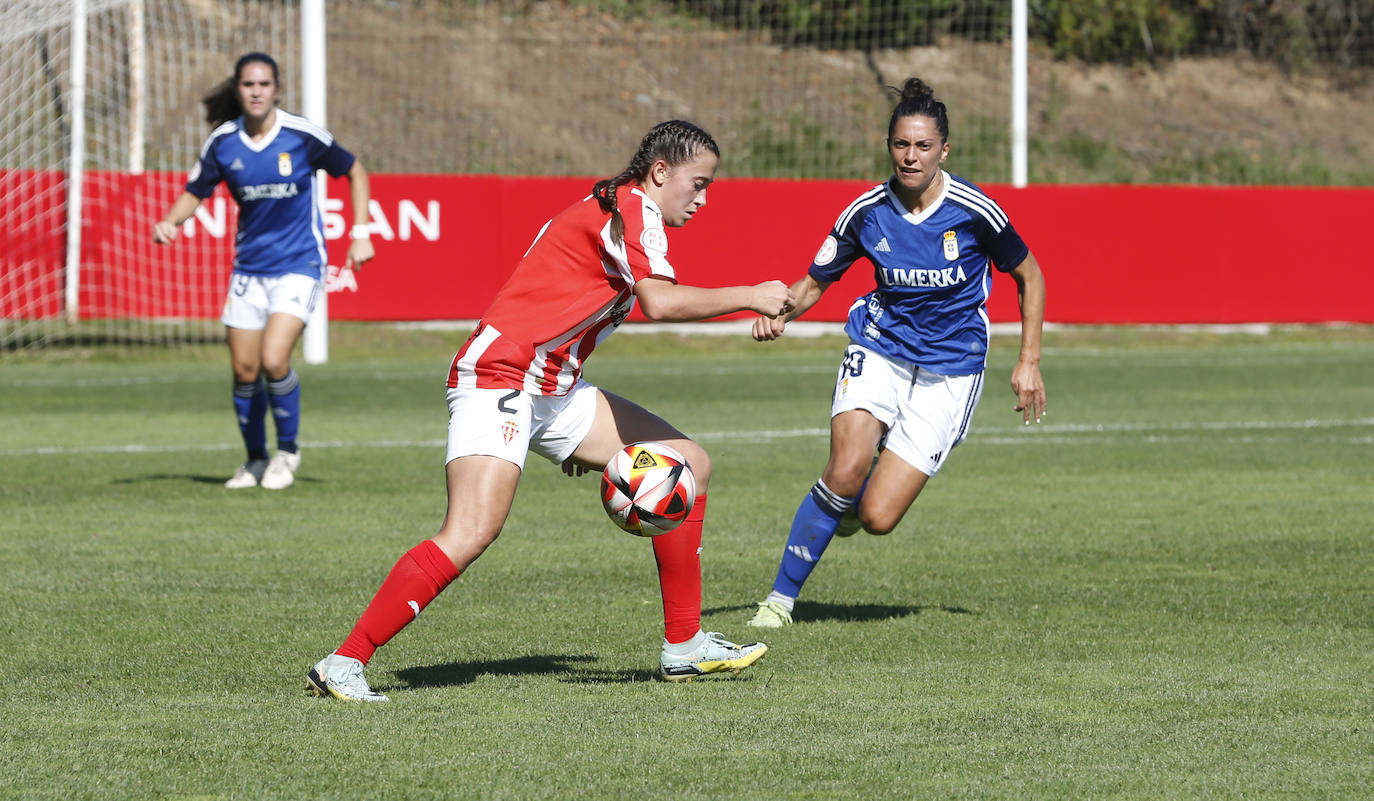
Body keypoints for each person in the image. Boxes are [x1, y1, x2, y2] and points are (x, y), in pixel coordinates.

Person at [307, 120, 794, 701]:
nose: (704, 198)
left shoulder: (617, 204)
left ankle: (684, 647)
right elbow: (660, 303)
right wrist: (751, 295)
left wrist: (568, 433)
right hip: (502, 375)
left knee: (689, 461)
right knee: (471, 529)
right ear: (661, 172)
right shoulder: (634, 209)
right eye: (699, 183)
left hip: (554, 386)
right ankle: (344, 661)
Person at [745, 78, 1047, 628]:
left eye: (923, 146)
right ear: (890, 145)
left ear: (944, 151)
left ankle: (862, 493)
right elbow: (815, 282)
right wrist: (780, 313)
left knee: (876, 516)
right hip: (879, 346)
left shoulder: (974, 210)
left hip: (951, 367)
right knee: (843, 469)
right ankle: (779, 602)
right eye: (902, 145)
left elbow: (1030, 275)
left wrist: (1028, 360)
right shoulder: (866, 212)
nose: (911, 157)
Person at [152, 52, 374, 490]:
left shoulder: (301, 135)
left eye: (264, 84)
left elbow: (355, 170)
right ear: (238, 89)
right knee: (244, 369)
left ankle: (286, 454)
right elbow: (196, 190)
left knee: (275, 359)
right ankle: (254, 460)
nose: (256, 92)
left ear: (277, 88)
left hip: (299, 265)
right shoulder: (223, 142)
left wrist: (361, 231)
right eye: (249, 85)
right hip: (248, 271)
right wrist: (172, 221)